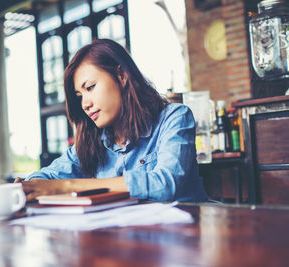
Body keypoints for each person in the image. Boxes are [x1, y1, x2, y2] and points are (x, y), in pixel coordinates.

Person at [15, 38, 208, 203]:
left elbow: (166, 183)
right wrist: (29, 186)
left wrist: (67, 186)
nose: (84, 104)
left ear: (121, 75)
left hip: (181, 239)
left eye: (90, 87)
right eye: (79, 95)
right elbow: (46, 176)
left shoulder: (175, 118)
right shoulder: (93, 141)